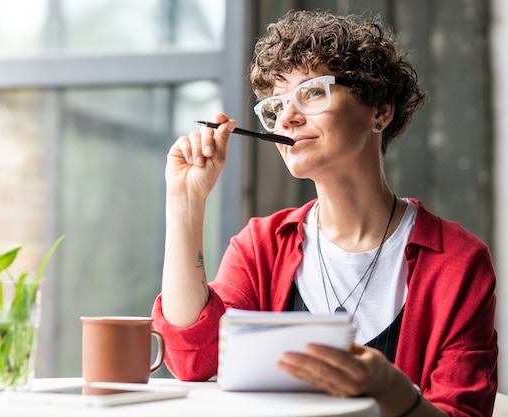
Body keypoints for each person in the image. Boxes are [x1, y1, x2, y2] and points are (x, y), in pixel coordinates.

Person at [151, 9, 497, 417]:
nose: (287, 117)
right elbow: (195, 360)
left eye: (312, 92)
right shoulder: (261, 246)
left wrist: (392, 390)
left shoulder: (458, 262)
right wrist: (185, 204)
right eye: (275, 106)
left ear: (380, 111)